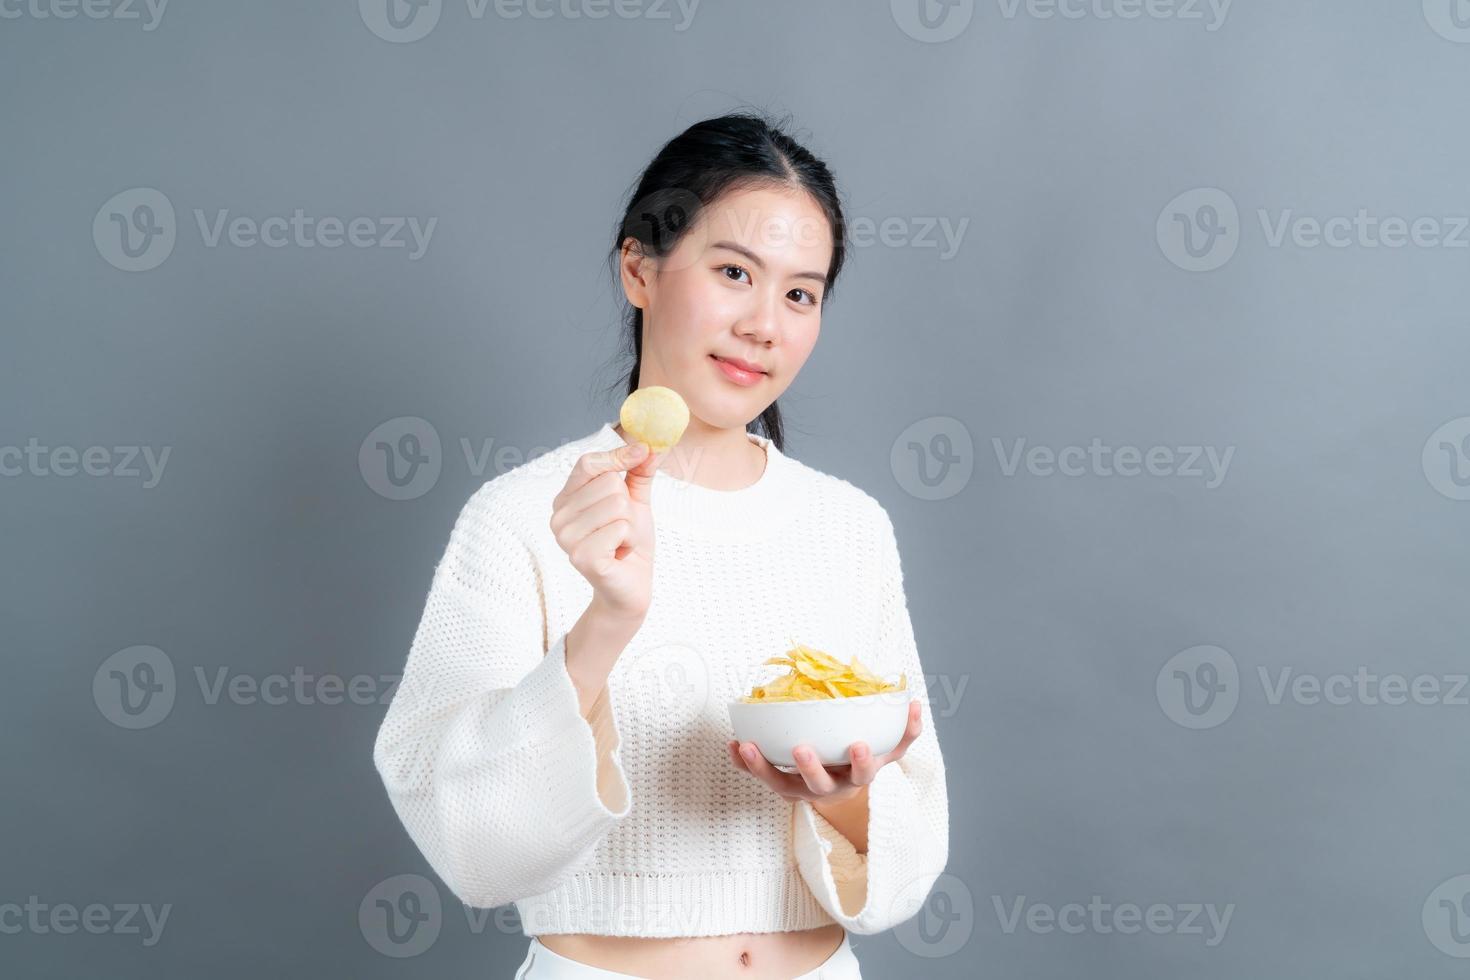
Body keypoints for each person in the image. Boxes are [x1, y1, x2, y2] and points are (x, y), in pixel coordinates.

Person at [373, 111, 949, 980]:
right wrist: (606, 620)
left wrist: (849, 800)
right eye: (732, 273)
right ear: (640, 268)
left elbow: (910, 856)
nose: (765, 324)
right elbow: (469, 847)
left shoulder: (848, 527)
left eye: (800, 293)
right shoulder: (524, 514)